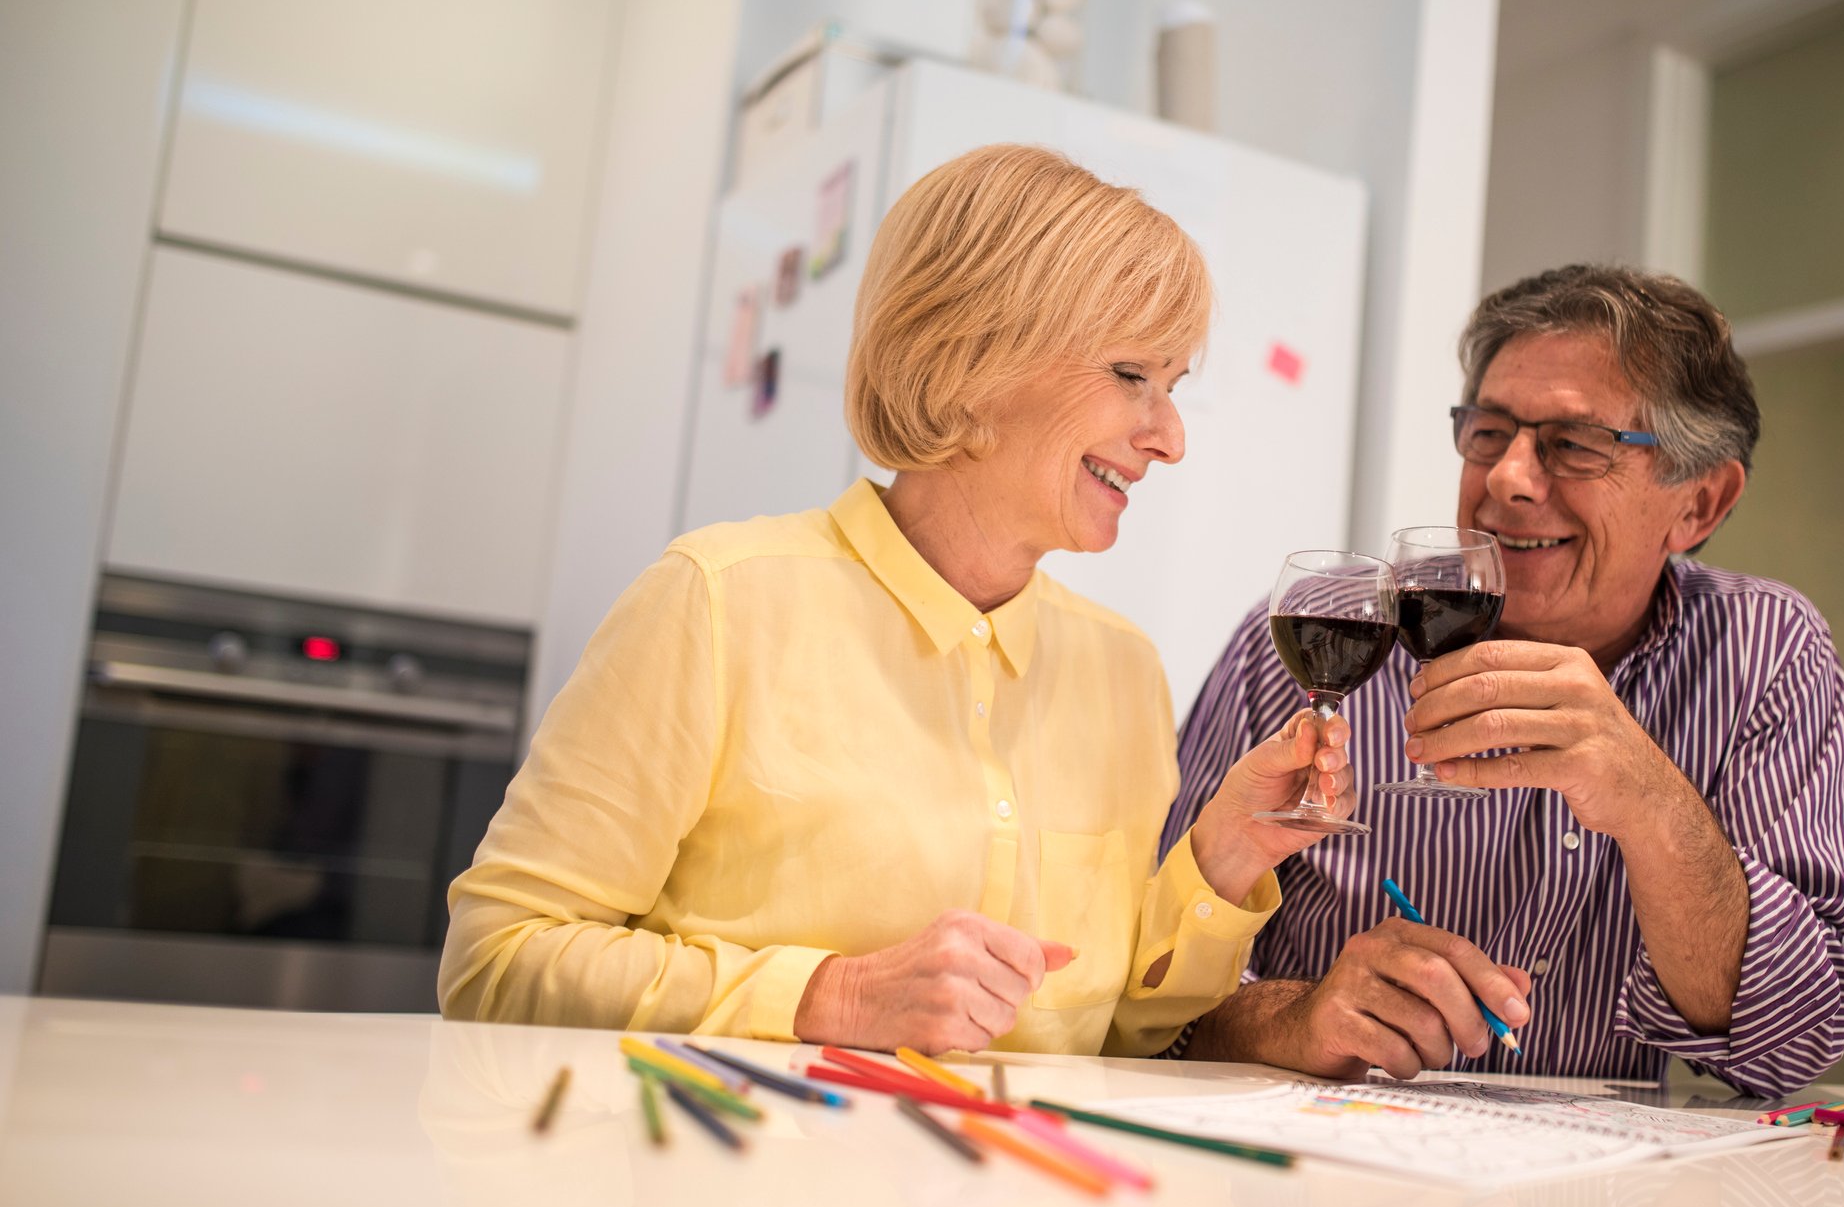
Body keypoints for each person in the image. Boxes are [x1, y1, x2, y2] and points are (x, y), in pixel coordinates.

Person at [440, 144, 1353, 1057]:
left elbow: (1116, 1037)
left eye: (1174, 386)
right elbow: (497, 960)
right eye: (1131, 375)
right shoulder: (716, 603)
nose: (1169, 437)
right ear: (973, 355)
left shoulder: (1122, 668)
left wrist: (1222, 856)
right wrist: (832, 995)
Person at [1164, 264, 1844, 1097]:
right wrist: (1294, 1018)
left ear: (1700, 505)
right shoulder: (1317, 638)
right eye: (1488, 434)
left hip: (1601, 1200)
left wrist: (1650, 801)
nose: (1506, 478)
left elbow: (1793, 1040)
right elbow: (1144, 980)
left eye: (1573, 445)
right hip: (1322, 1187)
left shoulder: (1763, 651)